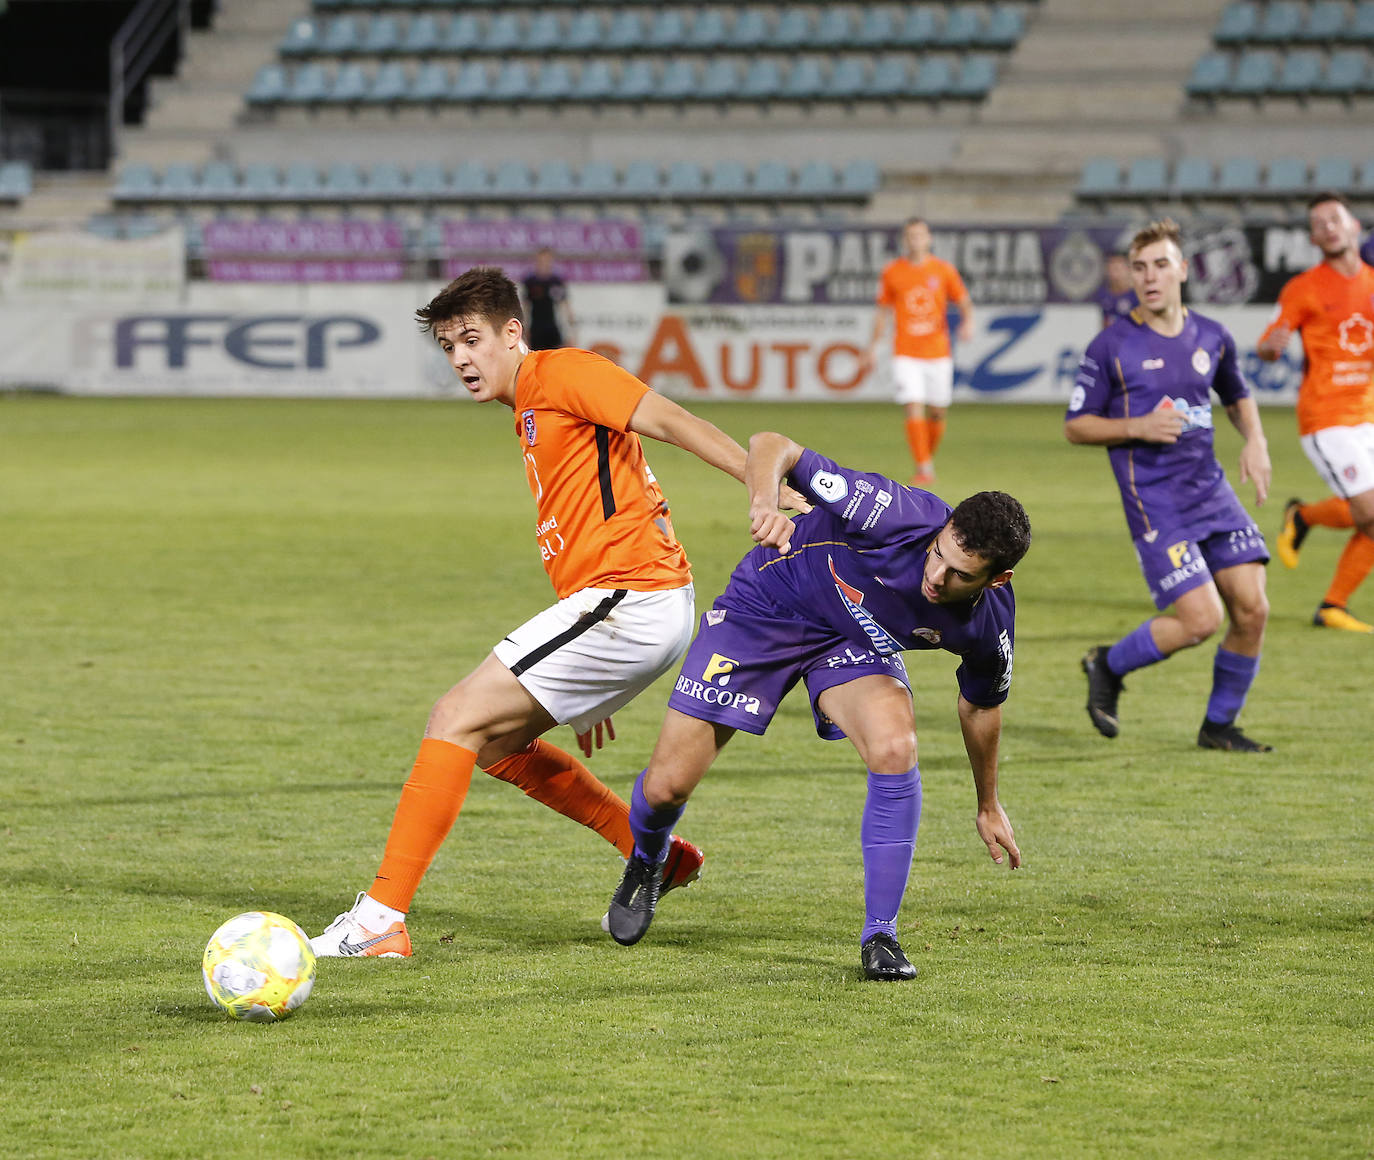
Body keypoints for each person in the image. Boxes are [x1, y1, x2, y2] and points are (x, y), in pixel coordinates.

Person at [311, 267, 806, 958]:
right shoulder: (529, 406)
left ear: (514, 332)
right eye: (448, 345)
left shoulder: (565, 372)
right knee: (493, 744)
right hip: (620, 606)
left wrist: (766, 489)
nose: (460, 358)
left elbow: (675, 421)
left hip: (631, 597)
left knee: (453, 717)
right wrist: (586, 675)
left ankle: (379, 920)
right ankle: (651, 852)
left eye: (473, 340)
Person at [603, 431, 1029, 982]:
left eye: (960, 575)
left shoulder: (990, 623)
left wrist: (988, 803)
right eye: (938, 555)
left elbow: (979, 708)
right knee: (665, 789)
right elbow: (772, 444)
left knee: (896, 746)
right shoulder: (891, 512)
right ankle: (648, 858)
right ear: (942, 531)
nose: (936, 577)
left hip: (847, 640)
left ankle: (882, 935)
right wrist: (764, 501)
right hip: (764, 606)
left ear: (998, 579)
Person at [1066, 219, 1274, 753]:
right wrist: (1135, 426)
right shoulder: (1111, 345)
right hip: (1156, 501)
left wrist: (1255, 441)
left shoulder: (1211, 335)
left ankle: (1219, 726)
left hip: (1212, 492)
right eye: (1140, 267)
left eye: (1161, 264)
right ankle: (1106, 665)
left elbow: (1237, 393)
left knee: (1252, 608)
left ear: (1183, 269)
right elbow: (1076, 426)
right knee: (1202, 619)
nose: (1149, 276)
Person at [1258, 192, 1374, 634]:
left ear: (1354, 227)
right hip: (1326, 418)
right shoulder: (1304, 288)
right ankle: (1302, 518)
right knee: (1369, 510)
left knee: (1372, 517)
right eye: (1318, 222)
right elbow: (1270, 342)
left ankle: (1332, 604)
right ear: (1312, 237)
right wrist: (1271, 347)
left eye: (1334, 219)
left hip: (1367, 413)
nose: (1327, 226)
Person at [861, 218, 973, 486]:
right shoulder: (892, 272)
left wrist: (969, 322)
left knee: (937, 412)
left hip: (938, 351)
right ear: (905, 239)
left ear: (929, 238)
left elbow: (964, 301)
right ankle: (924, 467)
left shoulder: (943, 271)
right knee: (913, 405)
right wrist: (872, 347)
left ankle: (925, 457)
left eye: (920, 235)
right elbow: (882, 313)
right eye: (911, 236)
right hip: (905, 352)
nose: (915, 240)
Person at [520, 247, 573, 350]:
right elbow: (525, 306)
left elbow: (564, 305)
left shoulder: (556, 281)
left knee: (555, 358)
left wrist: (570, 331)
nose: (544, 263)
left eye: (547, 260)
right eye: (542, 260)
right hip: (536, 328)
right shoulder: (531, 281)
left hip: (553, 327)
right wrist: (524, 329)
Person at [1094, 252, 1139, 329]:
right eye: (1111, 268)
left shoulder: (1137, 296)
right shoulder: (1102, 295)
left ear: (1128, 269)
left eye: (1118, 269)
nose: (1114, 273)